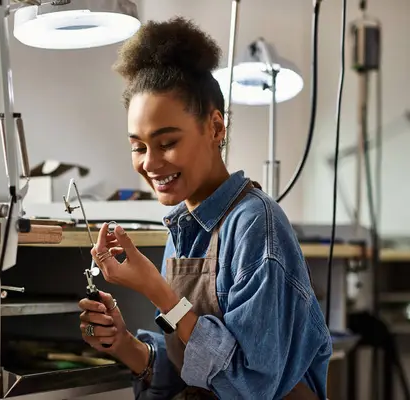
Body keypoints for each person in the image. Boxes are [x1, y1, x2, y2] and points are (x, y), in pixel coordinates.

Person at [77, 17, 332, 400]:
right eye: (138, 146)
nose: (149, 162)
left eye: (166, 143)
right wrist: (123, 342)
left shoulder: (255, 226)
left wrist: (156, 288)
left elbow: (250, 385)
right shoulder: (184, 229)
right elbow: (191, 368)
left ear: (215, 128)